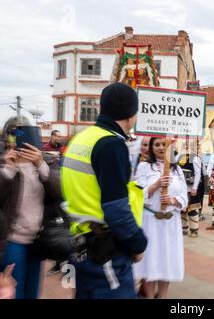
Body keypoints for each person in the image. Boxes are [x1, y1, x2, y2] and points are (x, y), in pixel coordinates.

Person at [61, 82, 147, 299]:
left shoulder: (81, 138)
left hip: (81, 244)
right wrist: (138, 244)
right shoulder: (110, 144)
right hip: (106, 250)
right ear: (131, 114)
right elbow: (116, 209)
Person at [0, 116, 59, 299]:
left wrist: (40, 164)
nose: (16, 140)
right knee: (13, 293)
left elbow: (58, 193)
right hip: (12, 239)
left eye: (21, 134)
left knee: (32, 293)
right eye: (12, 134)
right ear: (6, 136)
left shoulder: (45, 161)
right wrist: (8, 170)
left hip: (38, 239)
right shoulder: (3, 163)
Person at [134, 137, 188, 298]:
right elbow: (137, 195)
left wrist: (173, 200)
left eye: (164, 144)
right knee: (150, 261)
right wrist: (155, 185)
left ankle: (163, 296)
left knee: (167, 262)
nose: (160, 148)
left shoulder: (176, 169)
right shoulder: (144, 166)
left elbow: (184, 196)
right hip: (151, 222)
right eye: (156, 144)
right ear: (151, 147)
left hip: (171, 222)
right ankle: (149, 296)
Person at [177, 139, 203, 238]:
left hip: (190, 187)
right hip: (181, 188)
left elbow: (197, 174)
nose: (186, 146)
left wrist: (195, 188)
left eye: (188, 145)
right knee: (182, 209)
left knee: (192, 209)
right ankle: (184, 229)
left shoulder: (195, 157)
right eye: (185, 144)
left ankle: (194, 230)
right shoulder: (179, 156)